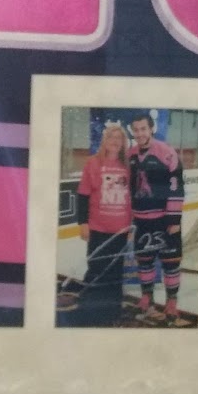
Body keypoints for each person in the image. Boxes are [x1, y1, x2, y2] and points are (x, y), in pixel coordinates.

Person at [73, 120, 132, 325]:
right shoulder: (93, 163)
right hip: (98, 229)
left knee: (115, 273)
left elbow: (133, 197)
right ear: (104, 141)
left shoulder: (128, 166)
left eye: (119, 138)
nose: (115, 141)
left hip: (121, 230)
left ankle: (112, 314)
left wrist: (131, 226)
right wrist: (83, 223)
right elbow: (83, 195)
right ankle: (88, 312)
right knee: (96, 270)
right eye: (111, 137)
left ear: (123, 143)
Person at [128, 113, 185, 325]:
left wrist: (174, 219)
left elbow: (176, 186)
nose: (140, 133)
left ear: (151, 129)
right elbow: (129, 188)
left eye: (143, 128)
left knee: (171, 262)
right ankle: (147, 297)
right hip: (141, 221)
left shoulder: (167, 152)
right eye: (136, 130)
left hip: (164, 221)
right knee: (144, 261)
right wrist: (129, 217)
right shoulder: (130, 154)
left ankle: (171, 302)